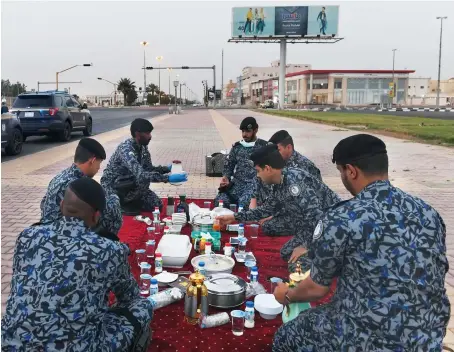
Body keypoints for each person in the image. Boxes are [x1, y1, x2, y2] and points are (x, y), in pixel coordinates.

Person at [272, 134, 450, 351]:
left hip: (369, 336)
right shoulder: (428, 213)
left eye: (341, 172)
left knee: (286, 335)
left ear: (351, 171)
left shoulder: (343, 217)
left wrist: (287, 294)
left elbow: (317, 288)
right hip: (426, 335)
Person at [1, 178, 153, 351]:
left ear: (61, 206)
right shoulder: (109, 249)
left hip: (12, 345)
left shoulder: (27, 236)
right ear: (96, 216)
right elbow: (130, 297)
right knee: (142, 307)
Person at [216, 144, 340, 269]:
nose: (257, 176)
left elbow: (316, 216)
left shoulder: (294, 183)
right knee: (286, 252)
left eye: (258, 171)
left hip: (332, 226)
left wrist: (305, 246)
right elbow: (265, 210)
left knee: (297, 265)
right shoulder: (280, 181)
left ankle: (333, 259)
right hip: (310, 223)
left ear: (268, 169)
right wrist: (234, 217)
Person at [101, 118, 187, 215]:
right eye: (147, 133)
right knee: (141, 180)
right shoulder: (126, 149)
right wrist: (167, 178)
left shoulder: (142, 147)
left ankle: (132, 201)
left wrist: (167, 169)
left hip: (130, 184)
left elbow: (149, 169)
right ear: (138, 134)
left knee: (157, 205)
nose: (150, 136)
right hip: (115, 186)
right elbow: (141, 175)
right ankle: (121, 204)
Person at [40, 137, 122, 235]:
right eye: (98, 163)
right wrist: (114, 198)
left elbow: (43, 204)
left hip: (47, 232)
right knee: (112, 207)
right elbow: (104, 209)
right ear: (92, 160)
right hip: (66, 236)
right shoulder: (80, 185)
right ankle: (105, 244)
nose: (98, 168)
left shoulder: (60, 176)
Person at [250, 130, 322, 236]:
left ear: (288, 147)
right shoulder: (277, 162)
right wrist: (254, 203)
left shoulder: (304, 166)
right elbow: (260, 180)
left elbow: (300, 202)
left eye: (278, 150)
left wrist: (273, 215)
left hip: (304, 213)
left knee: (269, 226)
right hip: (277, 206)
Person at [214, 116, 267, 210]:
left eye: (247, 131)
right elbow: (229, 165)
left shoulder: (264, 147)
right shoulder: (237, 147)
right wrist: (226, 177)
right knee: (220, 201)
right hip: (237, 185)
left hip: (254, 186)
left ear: (256, 130)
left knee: (245, 203)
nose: (244, 134)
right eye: (243, 131)